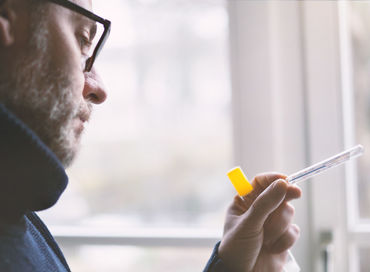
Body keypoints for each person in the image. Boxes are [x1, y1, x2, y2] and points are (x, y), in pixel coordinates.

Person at [0, 0, 302, 271]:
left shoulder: (18, 215)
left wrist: (234, 266)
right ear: (5, 20)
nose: (99, 89)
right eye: (82, 40)